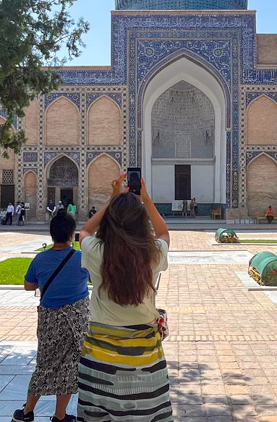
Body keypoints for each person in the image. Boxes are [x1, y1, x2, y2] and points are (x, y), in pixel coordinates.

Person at [77, 174, 173, 421]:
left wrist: (112, 200)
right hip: (144, 362)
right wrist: (147, 201)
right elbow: (164, 234)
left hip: (99, 359)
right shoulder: (151, 253)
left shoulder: (97, 251)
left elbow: (86, 230)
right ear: (142, 221)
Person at [13, 211, 89, 422]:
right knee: (68, 368)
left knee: (44, 365)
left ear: (52, 234)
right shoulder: (81, 259)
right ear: (72, 234)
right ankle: (60, 415)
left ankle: (27, 411)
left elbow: (29, 286)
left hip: (49, 321)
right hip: (76, 322)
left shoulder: (41, 258)